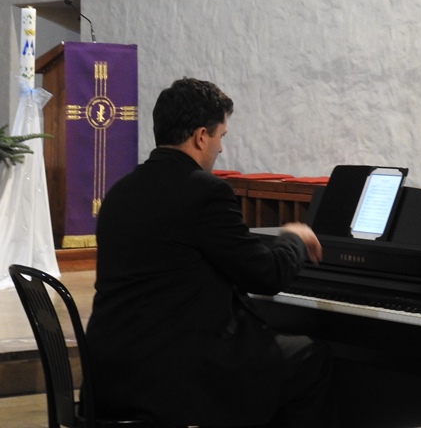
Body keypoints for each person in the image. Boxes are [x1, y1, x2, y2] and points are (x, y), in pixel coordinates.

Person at [85, 77, 333, 427]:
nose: (220, 149)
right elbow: (266, 275)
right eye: (221, 137)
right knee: (310, 356)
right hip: (172, 377)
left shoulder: (120, 191)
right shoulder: (205, 191)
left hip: (109, 372)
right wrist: (294, 238)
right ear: (201, 136)